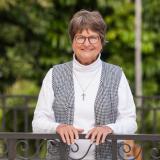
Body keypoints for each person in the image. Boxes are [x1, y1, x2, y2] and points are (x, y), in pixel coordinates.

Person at [32, 9, 137, 160]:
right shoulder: (54, 74)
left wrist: (109, 129)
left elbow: (130, 122)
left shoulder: (117, 75)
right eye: (80, 37)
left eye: (93, 38)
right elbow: (38, 123)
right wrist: (58, 127)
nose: (86, 43)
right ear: (73, 42)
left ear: (101, 42)